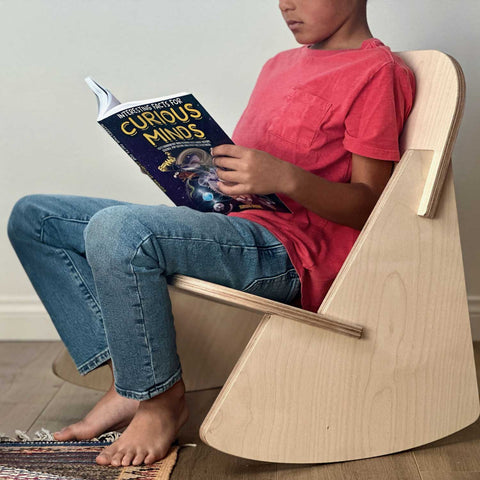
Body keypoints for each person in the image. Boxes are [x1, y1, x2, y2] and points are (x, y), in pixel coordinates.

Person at [7, 0, 415, 468]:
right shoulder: (279, 66)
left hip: (290, 253)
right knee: (33, 217)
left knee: (119, 231)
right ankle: (129, 382)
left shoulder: (377, 71)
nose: (286, 4)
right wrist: (181, 173)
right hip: (237, 226)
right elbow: (246, 180)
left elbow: (374, 208)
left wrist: (288, 178)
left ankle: (160, 401)